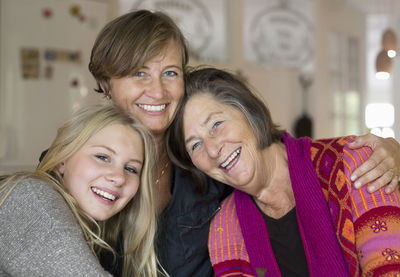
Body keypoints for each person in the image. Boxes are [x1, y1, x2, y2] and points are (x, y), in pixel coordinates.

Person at [88, 10, 400, 276]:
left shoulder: (351, 166)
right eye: (139, 73)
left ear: (247, 110)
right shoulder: (225, 219)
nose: (157, 91)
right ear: (105, 85)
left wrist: (390, 149)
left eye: (169, 72)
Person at [167, 67, 400, 276]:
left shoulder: (353, 163)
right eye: (195, 145)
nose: (213, 150)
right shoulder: (225, 227)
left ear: (248, 111)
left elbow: (390, 267)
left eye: (216, 124)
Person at [0, 104, 160, 277]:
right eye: (102, 157)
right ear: (63, 159)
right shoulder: (31, 197)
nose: (120, 177)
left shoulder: (102, 235)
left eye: (131, 169)